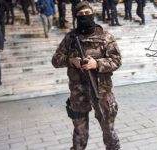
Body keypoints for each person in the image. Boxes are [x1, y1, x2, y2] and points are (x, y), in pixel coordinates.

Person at [51, 1, 121, 150]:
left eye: (87, 13)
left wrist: (97, 64)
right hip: (78, 92)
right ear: (76, 16)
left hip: (101, 91)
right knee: (79, 134)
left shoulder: (105, 36)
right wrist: (71, 61)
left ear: (92, 14)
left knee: (108, 130)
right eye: (81, 14)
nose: (84, 16)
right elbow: (55, 60)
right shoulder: (70, 38)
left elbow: (116, 60)